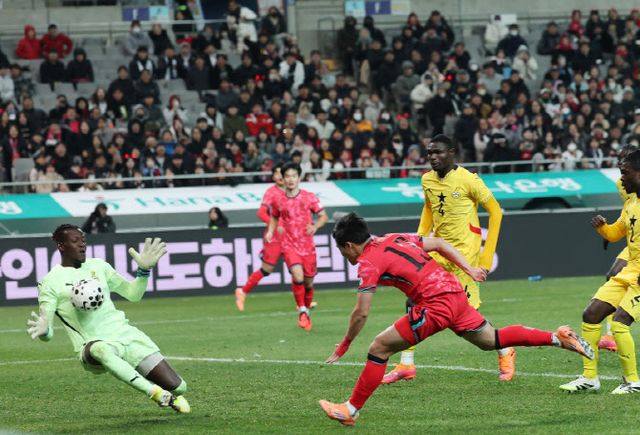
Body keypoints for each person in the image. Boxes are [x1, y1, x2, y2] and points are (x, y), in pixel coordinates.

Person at [319, 213, 593, 426]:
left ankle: (350, 409)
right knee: (491, 340)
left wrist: (345, 344)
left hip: (434, 304)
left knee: (379, 347)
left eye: (343, 251)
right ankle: (558, 338)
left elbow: (361, 312)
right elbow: (438, 243)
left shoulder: (368, 262)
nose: (345, 256)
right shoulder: (395, 238)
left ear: (349, 245)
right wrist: (469, 269)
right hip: (454, 293)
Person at [382, 134, 508, 384]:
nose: (433, 157)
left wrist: (484, 259)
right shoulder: (427, 179)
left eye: (438, 152)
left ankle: (505, 350)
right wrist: (419, 239)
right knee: (414, 299)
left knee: (468, 319)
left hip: (465, 255)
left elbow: (496, 212)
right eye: (430, 153)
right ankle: (406, 364)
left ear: (452, 153)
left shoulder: (469, 180)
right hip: (439, 252)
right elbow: (429, 208)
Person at [27, 225, 190, 413]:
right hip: (91, 345)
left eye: (83, 240)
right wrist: (44, 330)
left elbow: (133, 294)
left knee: (179, 387)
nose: (82, 244)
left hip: (125, 335)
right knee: (101, 349)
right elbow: (47, 331)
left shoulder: (99, 266)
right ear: (61, 246)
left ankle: (166, 390)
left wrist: (143, 271)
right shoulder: (50, 281)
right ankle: (157, 394)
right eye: (75, 241)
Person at [559, 149, 640, 394]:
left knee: (619, 323)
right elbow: (616, 234)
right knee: (592, 314)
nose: (621, 179)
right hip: (631, 271)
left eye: (625, 173)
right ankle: (590, 378)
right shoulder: (631, 203)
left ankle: (633, 382)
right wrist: (602, 227)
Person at [265, 162, 328, 330]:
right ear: (283, 178)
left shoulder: (309, 197)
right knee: (297, 275)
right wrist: (271, 231)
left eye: (294, 176)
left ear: (299, 178)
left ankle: (306, 311)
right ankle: (302, 311)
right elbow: (274, 216)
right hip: (289, 244)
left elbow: (323, 216)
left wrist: (315, 226)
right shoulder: (278, 199)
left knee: (308, 283)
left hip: (307, 247)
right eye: (287, 176)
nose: (290, 179)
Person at [599, 145, 639, 353]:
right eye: (619, 160)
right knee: (612, 274)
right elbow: (628, 210)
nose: (620, 164)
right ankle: (610, 334)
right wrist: (611, 231)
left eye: (624, 159)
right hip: (634, 239)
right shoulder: (621, 182)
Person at [235, 164, 286, 311]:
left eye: (282, 173)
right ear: (273, 177)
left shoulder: (293, 192)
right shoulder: (271, 192)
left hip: (290, 236)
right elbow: (261, 213)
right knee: (267, 269)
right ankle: (242, 292)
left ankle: (302, 303)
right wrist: (276, 225)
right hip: (274, 236)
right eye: (276, 173)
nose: (280, 176)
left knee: (296, 267)